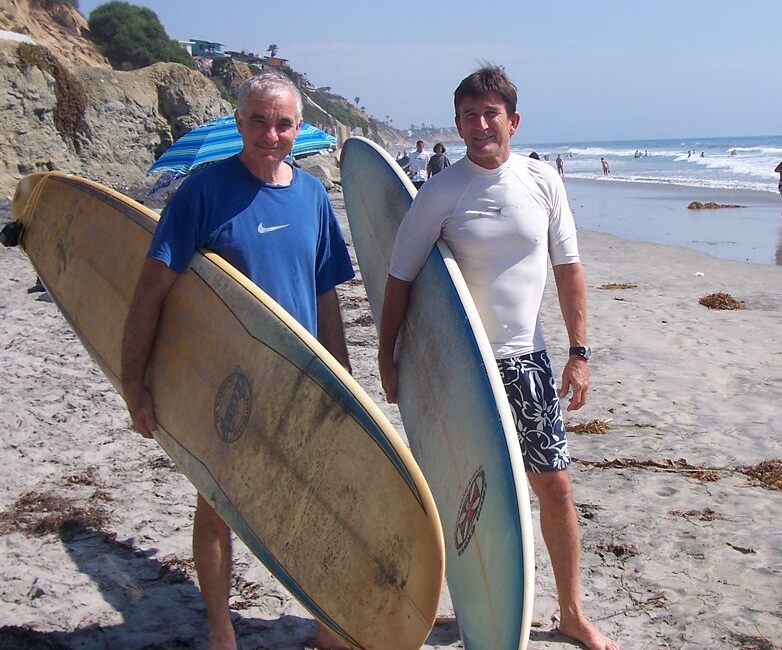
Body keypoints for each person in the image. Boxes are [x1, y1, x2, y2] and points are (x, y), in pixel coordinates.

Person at [377, 65, 618, 650]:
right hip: (461, 369)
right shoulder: (441, 192)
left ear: (514, 121)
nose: (481, 124)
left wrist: (579, 353)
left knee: (554, 486)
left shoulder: (542, 181)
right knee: (459, 493)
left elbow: (569, 269)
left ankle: (571, 613)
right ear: (458, 124)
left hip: (526, 362)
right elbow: (399, 276)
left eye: (491, 114)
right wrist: (389, 355)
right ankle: (454, 604)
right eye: (470, 115)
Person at [121, 72, 355, 650]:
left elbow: (326, 295)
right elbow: (151, 289)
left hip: (300, 381)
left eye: (282, 124)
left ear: (298, 128)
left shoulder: (312, 196)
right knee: (218, 504)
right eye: (258, 121)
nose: (270, 135)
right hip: (226, 383)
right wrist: (134, 382)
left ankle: (328, 625)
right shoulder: (202, 192)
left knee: (316, 505)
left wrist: (344, 382)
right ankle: (221, 628)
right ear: (238, 122)